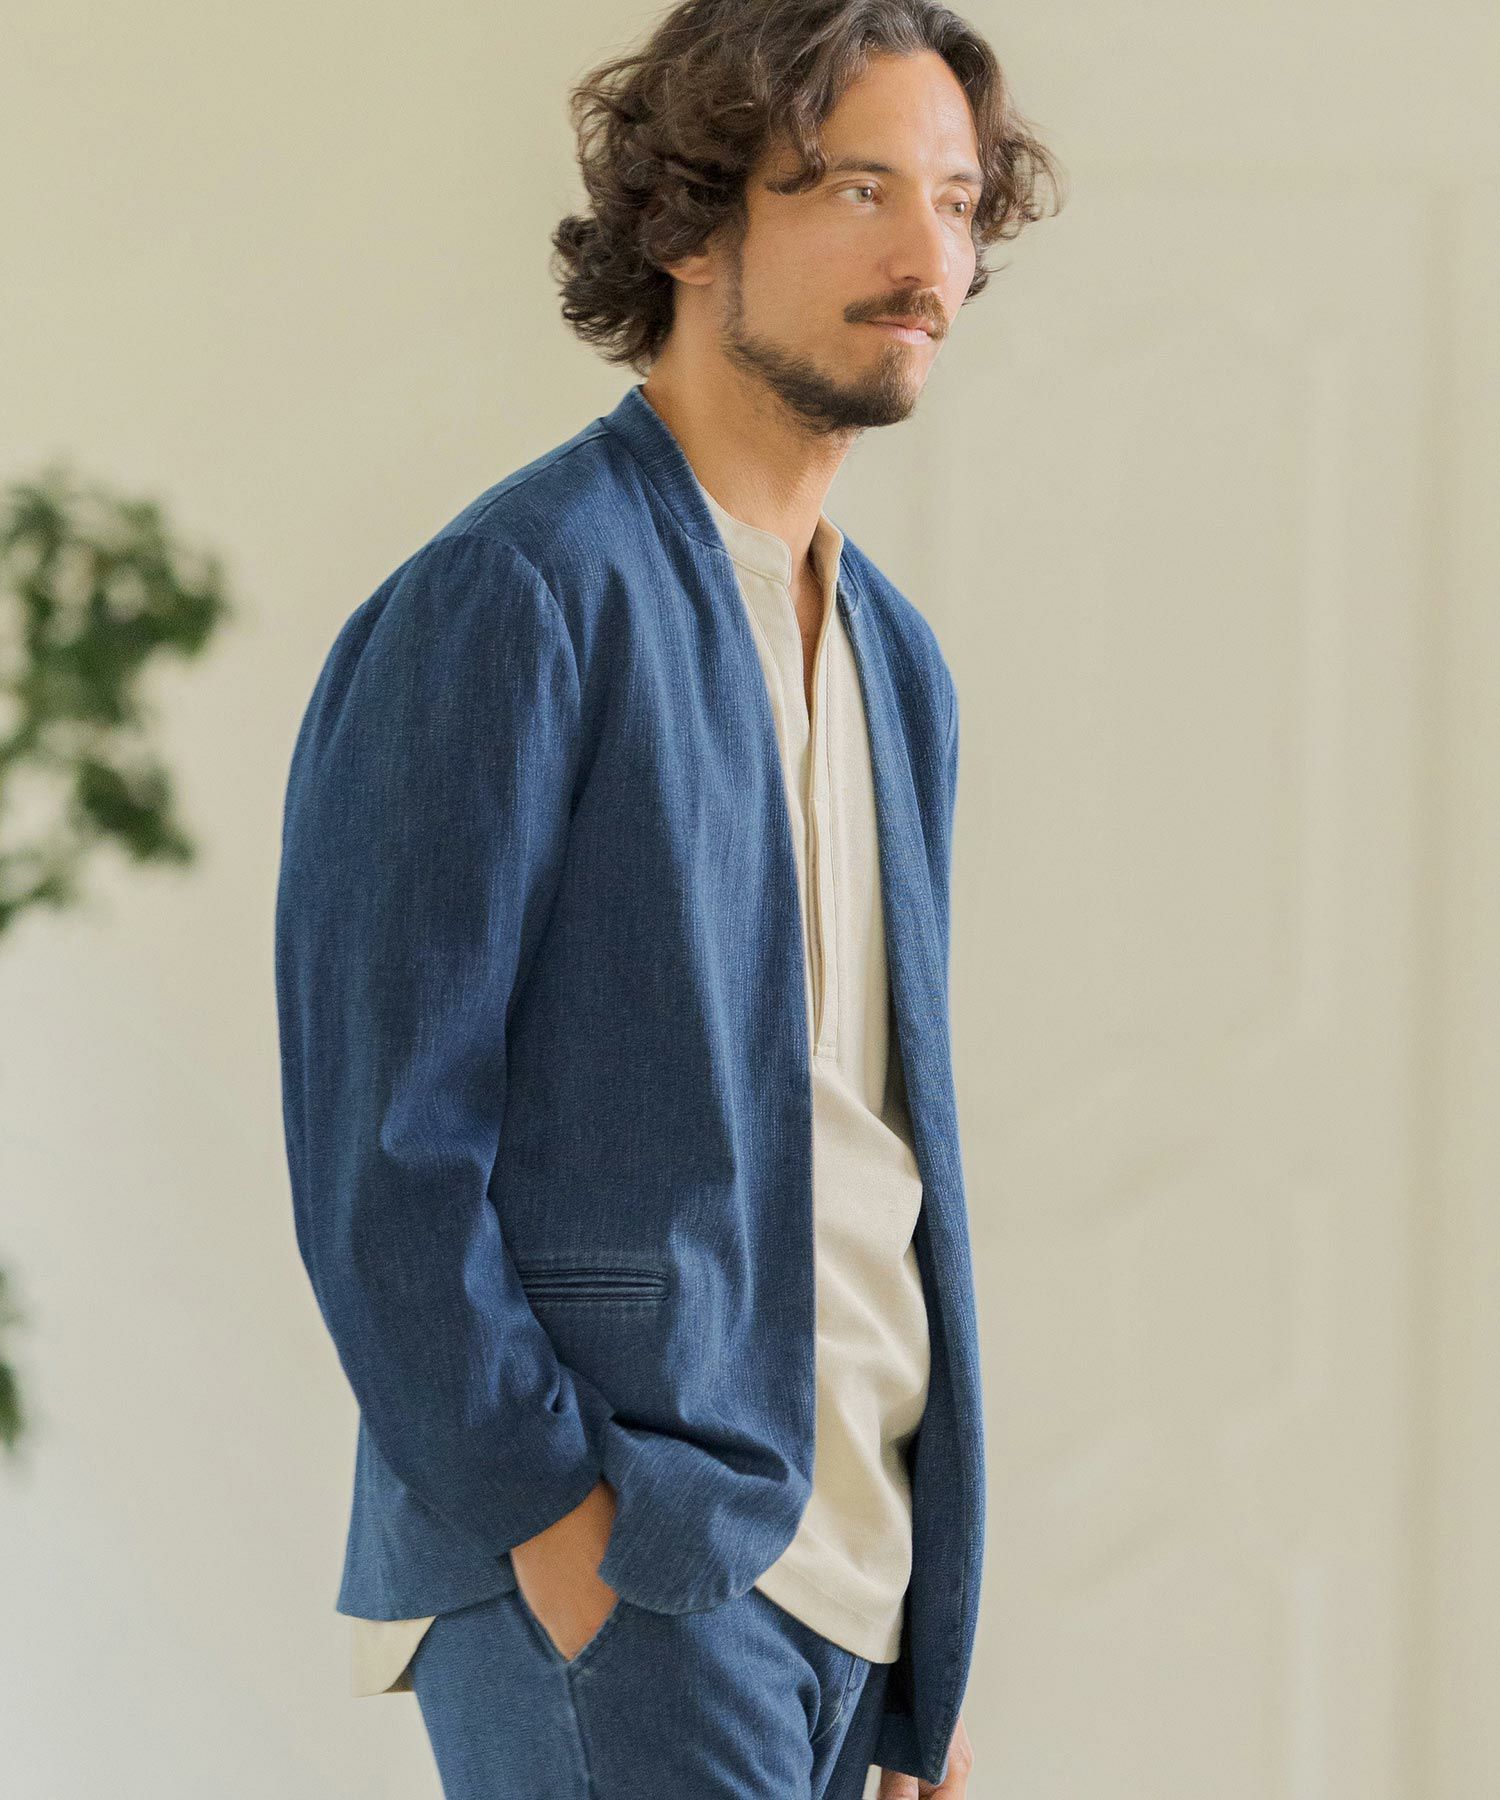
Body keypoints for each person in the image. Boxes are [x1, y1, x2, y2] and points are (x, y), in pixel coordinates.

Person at [273, 1, 1061, 1793]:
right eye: (856, 187)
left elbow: (868, 1153)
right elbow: (383, 1153)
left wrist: (914, 1637)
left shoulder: (896, 659)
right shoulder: (517, 594)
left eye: (954, 201)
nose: (927, 254)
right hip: (632, 1563)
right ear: (691, 226)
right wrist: (564, 1530)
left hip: (857, 1590)